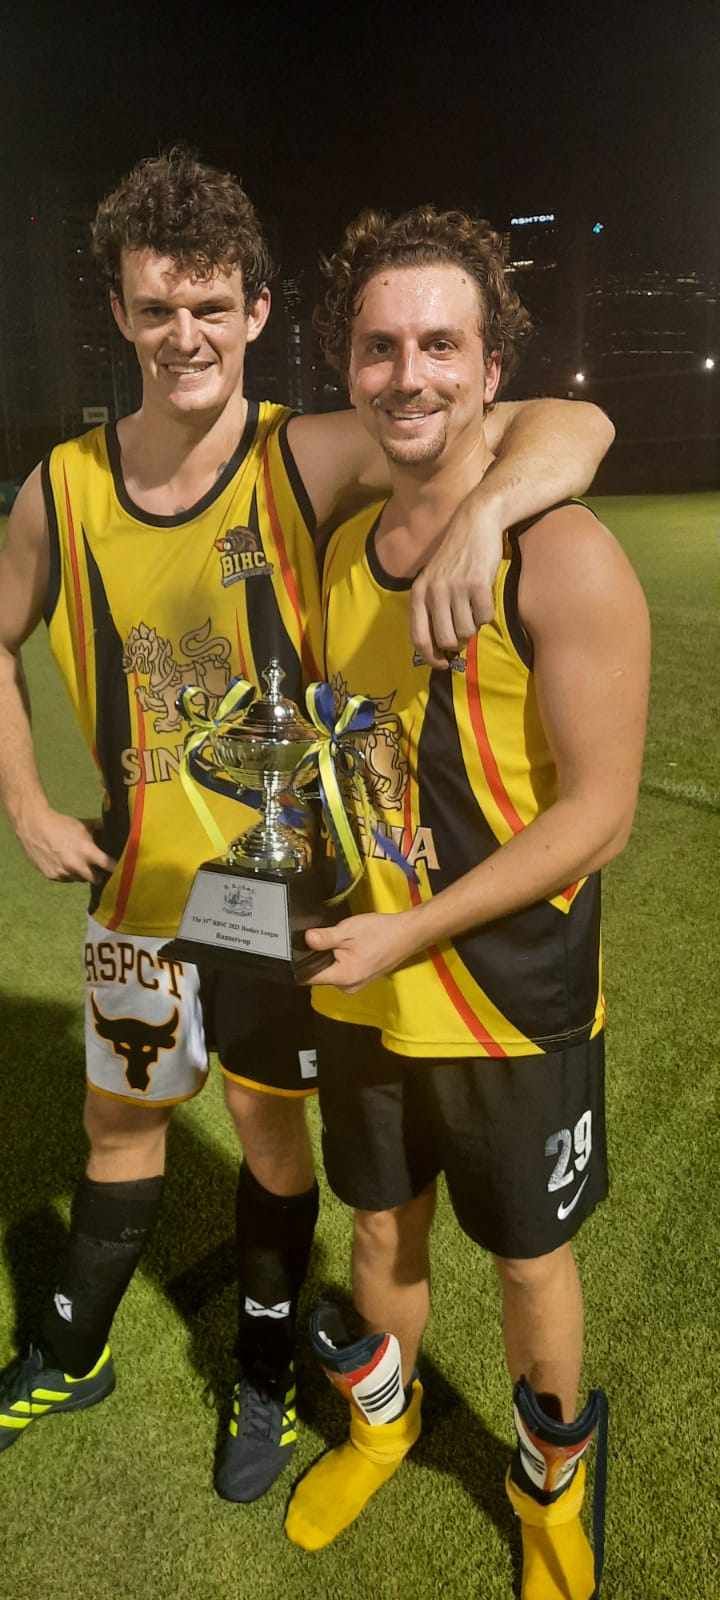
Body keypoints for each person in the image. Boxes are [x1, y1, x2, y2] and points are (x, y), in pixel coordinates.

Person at [0, 151, 613, 1507]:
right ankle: (71, 1348)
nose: (185, 335)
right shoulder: (63, 488)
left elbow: (567, 421)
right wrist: (29, 799)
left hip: (274, 907)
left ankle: (266, 1387)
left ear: (259, 313)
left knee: (279, 1151)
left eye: (210, 306)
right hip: (133, 901)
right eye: (157, 308)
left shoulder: (301, 455)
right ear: (117, 312)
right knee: (121, 1123)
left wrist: (495, 511)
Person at [284, 205, 649, 1600]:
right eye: (380, 348)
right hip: (366, 977)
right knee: (378, 1229)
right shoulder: (342, 549)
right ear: (347, 366)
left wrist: (495, 508)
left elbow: (596, 819)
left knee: (528, 1262)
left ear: (496, 368)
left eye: (443, 343)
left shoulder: (563, 554)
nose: (410, 374)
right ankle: (388, 1431)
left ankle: (550, 1488)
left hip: (510, 992)